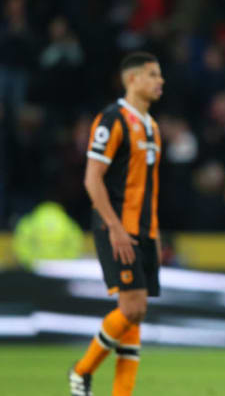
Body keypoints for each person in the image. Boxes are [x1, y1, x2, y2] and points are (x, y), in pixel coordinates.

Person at [69, 52, 164, 396]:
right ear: (132, 79)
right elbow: (92, 180)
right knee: (132, 307)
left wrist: (154, 233)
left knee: (136, 315)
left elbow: (148, 187)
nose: (160, 82)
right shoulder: (112, 120)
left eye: (160, 76)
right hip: (117, 227)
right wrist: (115, 227)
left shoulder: (152, 126)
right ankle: (81, 370)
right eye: (153, 75)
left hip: (144, 230)